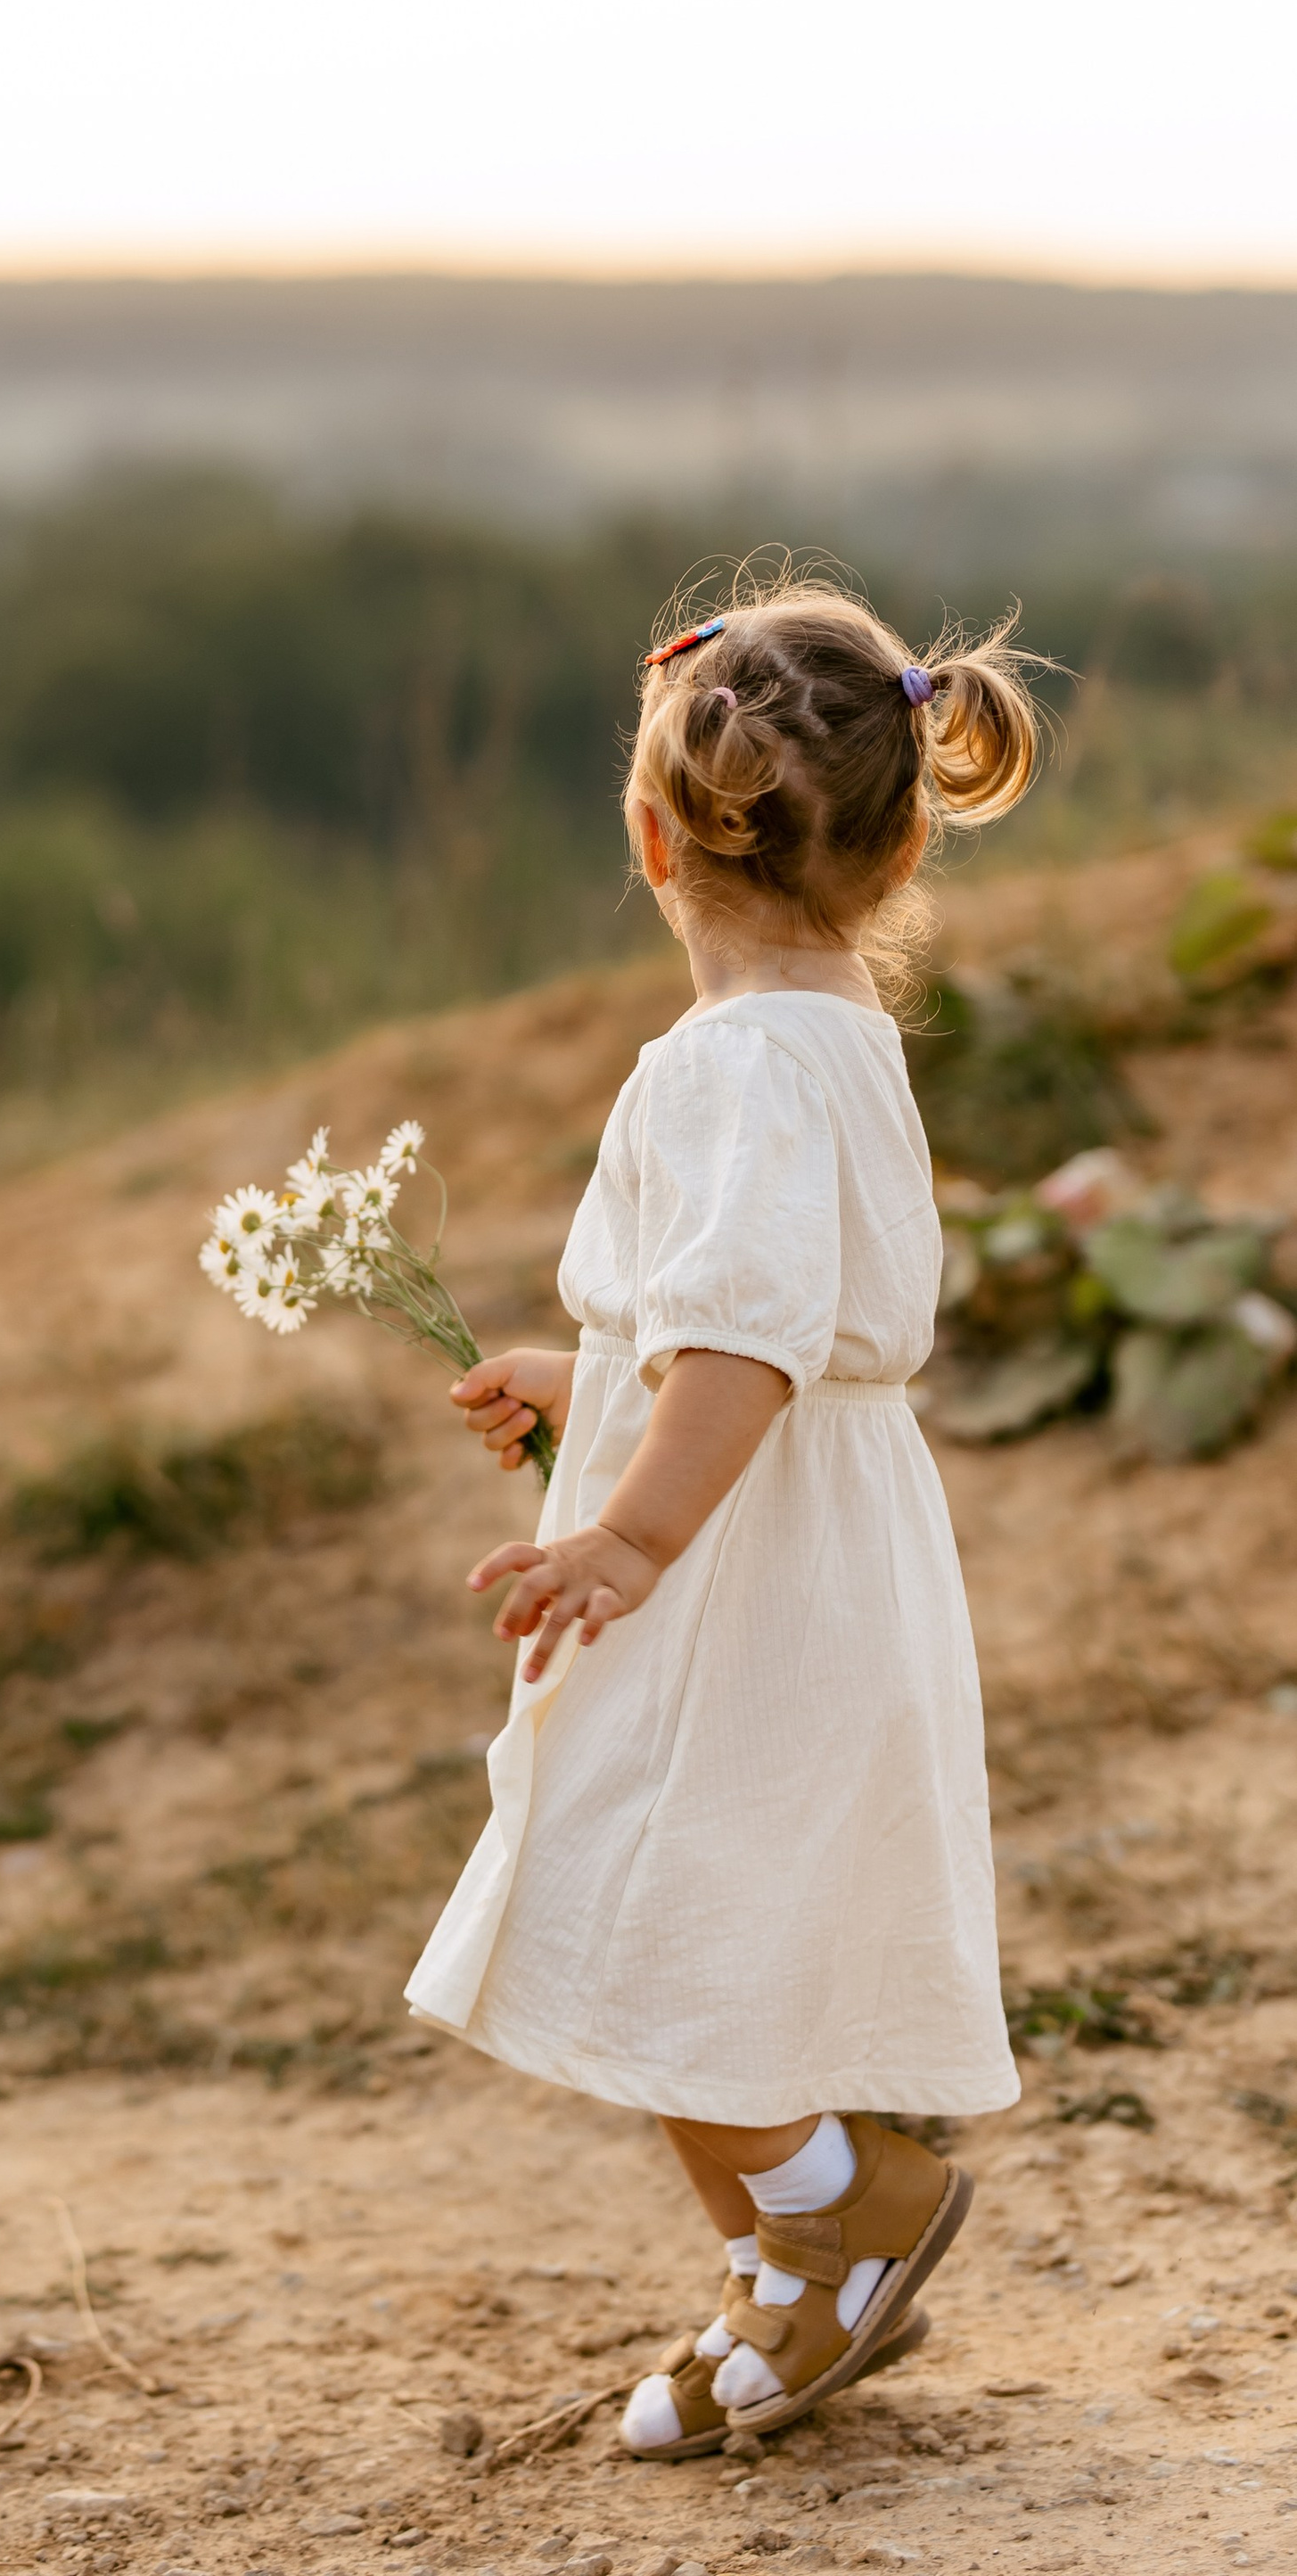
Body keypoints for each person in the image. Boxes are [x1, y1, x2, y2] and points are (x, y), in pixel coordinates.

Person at [404, 573, 1041, 2456]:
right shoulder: (826, 1028)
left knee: (653, 1914)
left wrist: (624, 1532)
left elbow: (748, 1342)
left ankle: (848, 2210)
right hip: (803, 1531)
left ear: (645, 827)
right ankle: (800, 2260)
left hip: (741, 1564)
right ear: (904, 832)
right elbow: (737, 1314)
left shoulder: (736, 1059)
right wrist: (581, 1376)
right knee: (701, 1923)